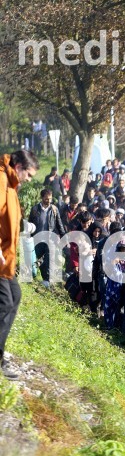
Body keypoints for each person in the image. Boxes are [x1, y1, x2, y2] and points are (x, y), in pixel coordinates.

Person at [0, 151, 40, 378]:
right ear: (18, 166)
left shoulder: (12, 185)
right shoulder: (2, 180)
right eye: (29, 174)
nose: (29, 179)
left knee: (14, 297)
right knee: (5, 302)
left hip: (6, 259)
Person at [28, 188, 66, 286]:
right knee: (39, 259)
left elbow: (59, 224)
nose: (48, 201)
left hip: (50, 239)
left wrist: (64, 237)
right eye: (46, 199)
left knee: (49, 259)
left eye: (50, 199)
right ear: (42, 198)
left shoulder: (54, 209)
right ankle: (39, 275)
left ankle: (47, 280)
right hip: (37, 239)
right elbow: (30, 224)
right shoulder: (35, 209)